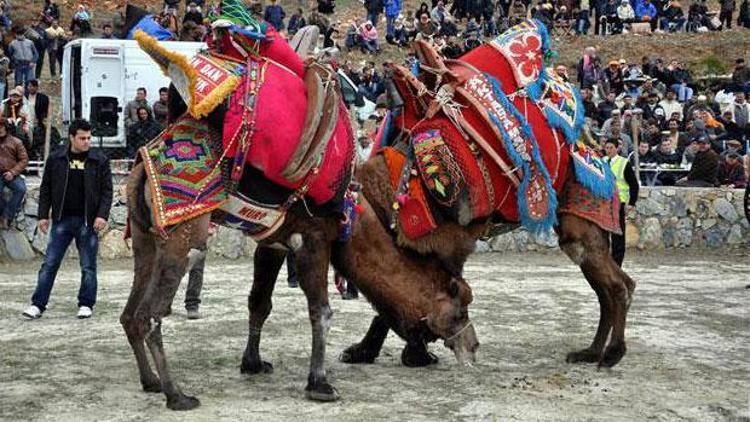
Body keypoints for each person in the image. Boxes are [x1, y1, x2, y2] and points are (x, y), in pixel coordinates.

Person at [22, 119, 113, 319]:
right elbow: (45, 188)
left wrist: (102, 215)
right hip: (62, 220)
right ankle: (37, 305)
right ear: (71, 137)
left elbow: (107, 191)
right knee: (50, 263)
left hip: (88, 221)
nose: (87, 142)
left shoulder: (100, 160)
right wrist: (42, 215)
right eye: (82, 138)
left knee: (88, 265)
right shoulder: (56, 159)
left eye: (89, 138)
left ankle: (86, 304)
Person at [603, 139, 639, 267]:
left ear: (617, 148)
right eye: (607, 147)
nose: (608, 150)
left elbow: (634, 185)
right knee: (604, 233)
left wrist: (631, 203)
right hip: (605, 202)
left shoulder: (624, 163)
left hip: (619, 203)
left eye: (611, 147)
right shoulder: (602, 162)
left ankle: (616, 263)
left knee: (618, 235)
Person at [0, 118, 28, 229]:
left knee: (21, 189)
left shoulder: (16, 142)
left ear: (6, 128)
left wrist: (12, 172)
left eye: (1, 126)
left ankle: (7, 216)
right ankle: (3, 214)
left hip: (12, 173)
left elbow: (24, 160)